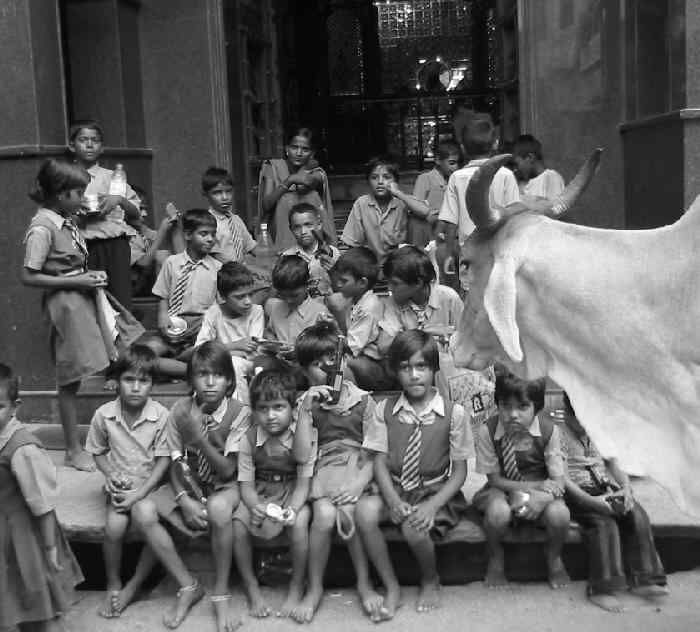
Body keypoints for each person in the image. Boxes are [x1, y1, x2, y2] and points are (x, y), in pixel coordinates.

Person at [21, 158, 142, 471]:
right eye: (78, 193)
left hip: (84, 297)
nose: (83, 199)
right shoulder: (42, 228)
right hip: (66, 305)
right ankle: (73, 449)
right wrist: (76, 281)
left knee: (117, 350)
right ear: (61, 195)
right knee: (71, 377)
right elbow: (29, 276)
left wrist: (89, 276)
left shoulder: (66, 219)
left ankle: (116, 435)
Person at [132, 342, 251, 631]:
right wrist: (184, 498)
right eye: (202, 374)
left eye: (218, 375)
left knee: (220, 508)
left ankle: (220, 591)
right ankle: (188, 585)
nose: (210, 382)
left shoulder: (240, 413)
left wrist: (197, 438)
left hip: (225, 486)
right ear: (190, 380)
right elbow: (175, 459)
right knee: (142, 510)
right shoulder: (180, 410)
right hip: (188, 483)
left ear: (230, 381)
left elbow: (228, 469)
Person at [356, 331, 471, 616]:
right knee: (364, 512)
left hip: (433, 490)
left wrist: (432, 505)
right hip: (394, 487)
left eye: (421, 366)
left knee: (413, 526)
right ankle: (391, 585)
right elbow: (379, 461)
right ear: (395, 371)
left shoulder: (454, 413)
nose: (414, 375)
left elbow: (459, 473)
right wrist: (393, 500)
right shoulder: (384, 409)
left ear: (434, 369)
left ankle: (430, 579)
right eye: (405, 367)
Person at [291, 321, 381, 622]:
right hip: (321, 471)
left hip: (357, 470)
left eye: (332, 359)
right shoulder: (304, 404)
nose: (327, 369)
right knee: (324, 515)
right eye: (317, 365)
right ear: (305, 372)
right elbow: (301, 455)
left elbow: (375, 452)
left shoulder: (364, 401)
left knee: (348, 511)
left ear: (344, 362)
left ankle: (364, 583)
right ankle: (314, 587)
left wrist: (358, 484)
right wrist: (306, 411)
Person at [560, 392, 668, 611]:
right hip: (576, 494)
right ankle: (601, 588)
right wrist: (592, 502)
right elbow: (563, 480)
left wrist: (626, 489)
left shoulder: (598, 432)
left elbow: (614, 465)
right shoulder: (557, 434)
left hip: (604, 488)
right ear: (567, 414)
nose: (585, 425)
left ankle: (645, 578)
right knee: (604, 524)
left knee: (636, 513)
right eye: (579, 420)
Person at [84, 345, 170, 619]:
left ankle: (138, 581)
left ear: (152, 384)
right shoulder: (104, 415)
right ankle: (113, 582)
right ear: (116, 381)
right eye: (128, 379)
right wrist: (110, 475)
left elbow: (163, 462)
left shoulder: (161, 416)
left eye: (143, 381)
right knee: (114, 528)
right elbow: (97, 452)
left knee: (151, 524)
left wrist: (141, 492)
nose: (135, 387)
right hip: (120, 486)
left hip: (151, 486)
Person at [0, 363, 85, 632]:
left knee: (34, 602)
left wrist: (50, 548)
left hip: (24, 539)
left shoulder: (22, 449)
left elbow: (43, 506)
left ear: (15, 406)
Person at [473, 371, 571, 589]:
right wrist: (533, 486)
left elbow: (558, 481)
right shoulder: (488, 430)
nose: (513, 414)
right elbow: (495, 480)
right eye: (506, 406)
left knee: (560, 514)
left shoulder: (550, 431)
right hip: (502, 488)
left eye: (522, 407)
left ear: (537, 407)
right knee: (498, 512)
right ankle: (496, 555)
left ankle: (554, 556)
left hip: (542, 491)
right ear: (497, 404)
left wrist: (542, 498)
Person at [231, 370, 315, 619]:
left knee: (299, 522)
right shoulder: (248, 439)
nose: (270, 416)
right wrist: (254, 506)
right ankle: (251, 585)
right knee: (238, 523)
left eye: (278, 407)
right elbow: (246, 486)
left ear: (292, 409)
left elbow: (303, 485)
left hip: (292, 491)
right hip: (260, 490)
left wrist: (293, 510)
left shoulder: (303, 437)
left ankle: (297, 584)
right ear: (254, 411)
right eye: (263, 409)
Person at [68, 120, 141, 311]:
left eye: (95, 140)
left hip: (114, 244)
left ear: (102, 147)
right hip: (81, 243)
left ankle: (123, 330)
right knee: (88, 300)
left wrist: (119, 199)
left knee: (120, 297)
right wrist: (77, 211)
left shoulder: (113, 176)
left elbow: (136, 213)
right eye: (83, 140)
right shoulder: (65, 176)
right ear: (72, 145)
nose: (89, 145)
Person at [435, 111, 520, 267]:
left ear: (462, 148)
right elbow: (514, 217)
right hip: (500, 255)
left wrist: (449, 254)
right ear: (495, 144)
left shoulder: (457, 177)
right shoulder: (506, 175)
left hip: (469, 256)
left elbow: (450, 222)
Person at [151, 209, 222, 364]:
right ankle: (179, 363)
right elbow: (162, 294)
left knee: (206, 353)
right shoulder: (171, 263)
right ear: (188, 235)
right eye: (204, 234)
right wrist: (162, 316)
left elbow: (219, 306)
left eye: (213, 234)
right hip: (173, 323)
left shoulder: (218, 268)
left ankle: (179, 363)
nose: (210, 239)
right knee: (146, 353)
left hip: (202, 325)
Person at [195, 262, 264, 405]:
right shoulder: (213, 313)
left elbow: (252, 352)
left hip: (246, 364)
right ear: (223, 296)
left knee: (235, 363)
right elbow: (201, 349)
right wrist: (235, 346)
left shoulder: (256, 311)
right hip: (218, 362)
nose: (248, 301)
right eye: (240, 297)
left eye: (250, 294)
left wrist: (219, 351)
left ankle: (242, 410)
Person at [341, 155, 429, 264]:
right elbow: (353, 244)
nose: (380, 182)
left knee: (419, 221)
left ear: (395, 181)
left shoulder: (403, 201)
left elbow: (425, 212)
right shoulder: (361, 204)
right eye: (374, 178)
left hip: (399, 264)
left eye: (387, 177)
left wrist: (398, 193)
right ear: (368, 181)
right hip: (371, 264)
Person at [259, 126, 335, 249]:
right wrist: (289, 180)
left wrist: (306, 168)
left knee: (309, 195)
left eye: (305, 149)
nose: (299, 153)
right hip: (280, 235)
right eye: (294, 147)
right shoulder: (273, 167)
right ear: (286, 149)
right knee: (285, 198)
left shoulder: (317, 172)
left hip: (311, 237)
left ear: (312, 153)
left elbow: (302, 187)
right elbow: (267, 204)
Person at [379, 245, 463, 353]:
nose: (390, 288)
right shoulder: (393, 302)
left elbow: (466, 340)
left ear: (418, 283)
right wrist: (423, 332)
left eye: (395, 283)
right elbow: (383, 346)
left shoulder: (449, 298)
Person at [331, 247, 391, 390]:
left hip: (374, 365)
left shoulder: (368, 307)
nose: (338, 285)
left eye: (344, 281)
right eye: (338, 280)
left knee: (339, 362)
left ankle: (349, 396)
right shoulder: (355, 300)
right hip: (363, 359)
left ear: (362, 283)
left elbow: (351, 346)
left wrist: (332, 328)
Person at [264, 255, 331, 345]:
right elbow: (270, 332)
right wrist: (272, 342)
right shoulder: (276, 308)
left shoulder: (320, 313)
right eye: (282, 295)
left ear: (308, 285)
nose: (288, 300)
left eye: (294, 296)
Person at [282, 202, 340, 297]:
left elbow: (343, 289)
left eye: (308, 225)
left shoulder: (333, 253)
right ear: (291, 229)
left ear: (319, 224)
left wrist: (334, 272)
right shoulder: (287, 257)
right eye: (297, 227)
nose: (303, 232)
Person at [410, 141, 461, 247]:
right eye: (451, 163)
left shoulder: (455, 180)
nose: (456, 167)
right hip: (429, 229)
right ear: (438, 160)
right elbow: (417, 207)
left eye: (457, 163)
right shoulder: (425, 178)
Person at [202, 166, 257, 264]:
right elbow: (215, 256)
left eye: (228, 191)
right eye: (217, 193)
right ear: (206, 195)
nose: (225, 197)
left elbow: (250, 246)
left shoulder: (236, 220)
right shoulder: (206, 223)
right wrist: (237, 269)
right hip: (221, 271)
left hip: (240, 270)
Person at [128, 186, 175, 297]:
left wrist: (172, 220)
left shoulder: (141, 229)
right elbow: (144, 262)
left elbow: (160, 239)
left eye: (145, 209)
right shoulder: (123, 233)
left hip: (146, 281)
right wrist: (162, 231)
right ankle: (163, 299)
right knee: (161, 256)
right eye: (140, 209)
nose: (145, 214)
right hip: (132, 286)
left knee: (166, 255)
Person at [512, 134, 565, 202]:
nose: (516, 169)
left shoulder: (551, 177)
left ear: (530, 158)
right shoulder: (525, 184)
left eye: (517, 164)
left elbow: (555, 206)